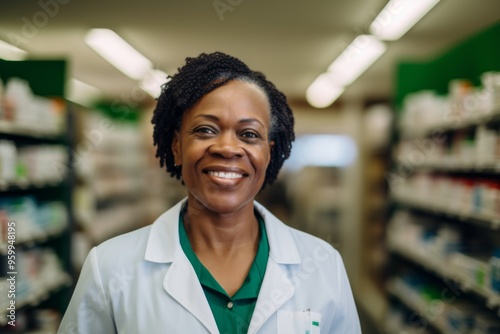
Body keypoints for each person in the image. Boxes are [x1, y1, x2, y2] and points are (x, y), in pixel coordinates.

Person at [58, 52, 361, 334]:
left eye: (249, 134)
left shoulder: (323, 265)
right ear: (177, 146)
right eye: (205, 130)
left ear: (268, 154)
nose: (227, 148)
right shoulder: (110, 268)